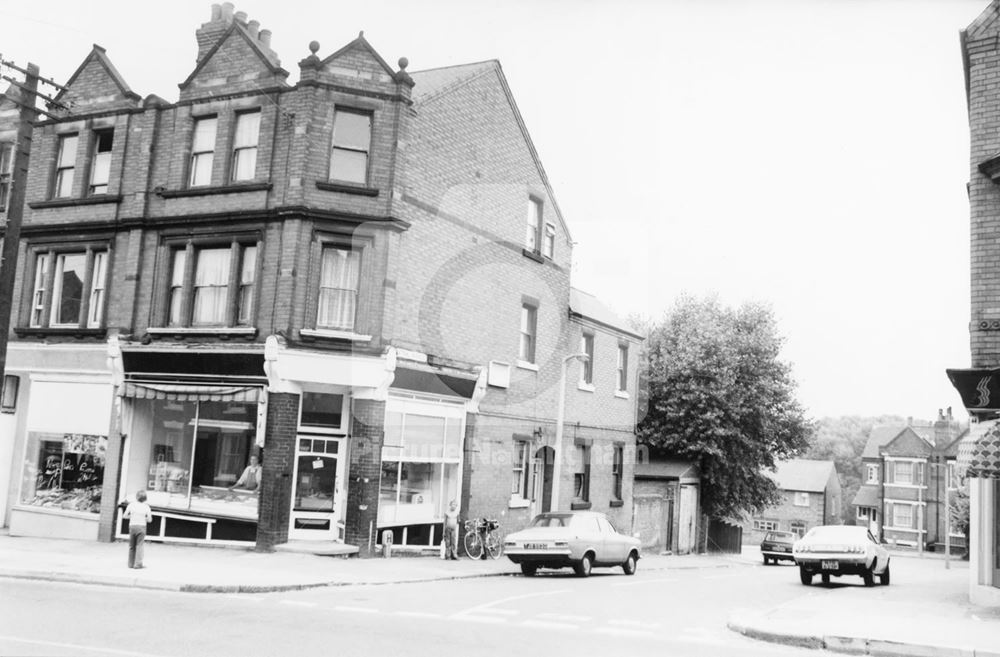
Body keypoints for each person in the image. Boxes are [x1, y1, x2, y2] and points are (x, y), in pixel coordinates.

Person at [123, 489, 153, 569]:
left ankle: (130, 564)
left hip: (132, 526)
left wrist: (132, 516)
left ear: (136, 497)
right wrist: (144, 518)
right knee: (139, 545)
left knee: (131, 545)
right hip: (141, 527)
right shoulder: (146, 507)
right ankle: (138, 564)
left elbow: (125, 516)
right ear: (145, 498)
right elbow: (150, 520)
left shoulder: (131, 505)